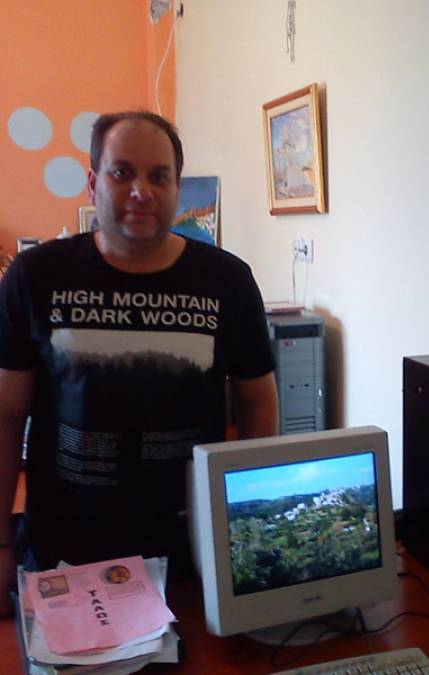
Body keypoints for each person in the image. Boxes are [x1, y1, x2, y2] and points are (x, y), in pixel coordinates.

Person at [0, 111, 278, 614]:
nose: (141, 191)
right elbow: (5, 415)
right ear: (93, 184)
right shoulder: (35, 276)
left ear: (177, 188)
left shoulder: (228, 281)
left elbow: (258, 404)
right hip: (66, 550)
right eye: (122, 172)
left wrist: (244, 529)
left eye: (159, 176)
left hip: (190, 548)